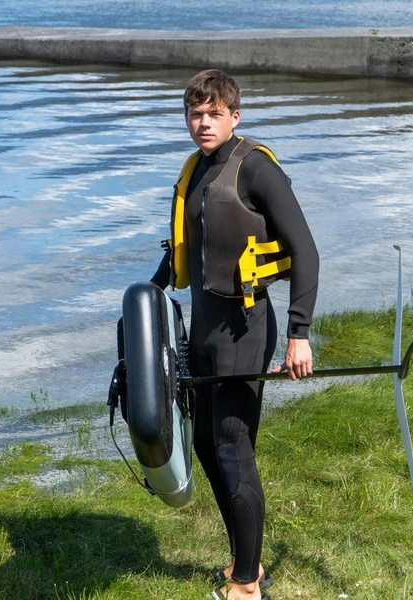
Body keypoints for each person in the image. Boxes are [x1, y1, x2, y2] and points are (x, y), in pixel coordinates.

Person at [150, 69, 319, 600]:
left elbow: (307, 252)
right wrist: (147, 296)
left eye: (213, 113)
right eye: (195, 114)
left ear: (234, 116)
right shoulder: (197, 169)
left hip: (244, 327)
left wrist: (299, 333)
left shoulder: (257, 169)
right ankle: (244, 559)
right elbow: (189, 251)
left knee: (232, 448)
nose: (203, 123)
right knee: (203, 441)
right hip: (202, 324)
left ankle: (247, 584)